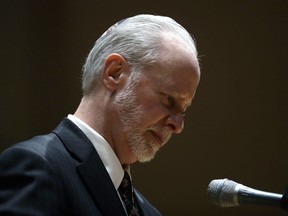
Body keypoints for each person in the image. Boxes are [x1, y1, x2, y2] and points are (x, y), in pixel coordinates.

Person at [0, 14, 200, 215]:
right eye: (169, 99)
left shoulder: (149, 212)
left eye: (183, 111)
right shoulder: (37, 167)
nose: (178, 125)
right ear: (115, 73)